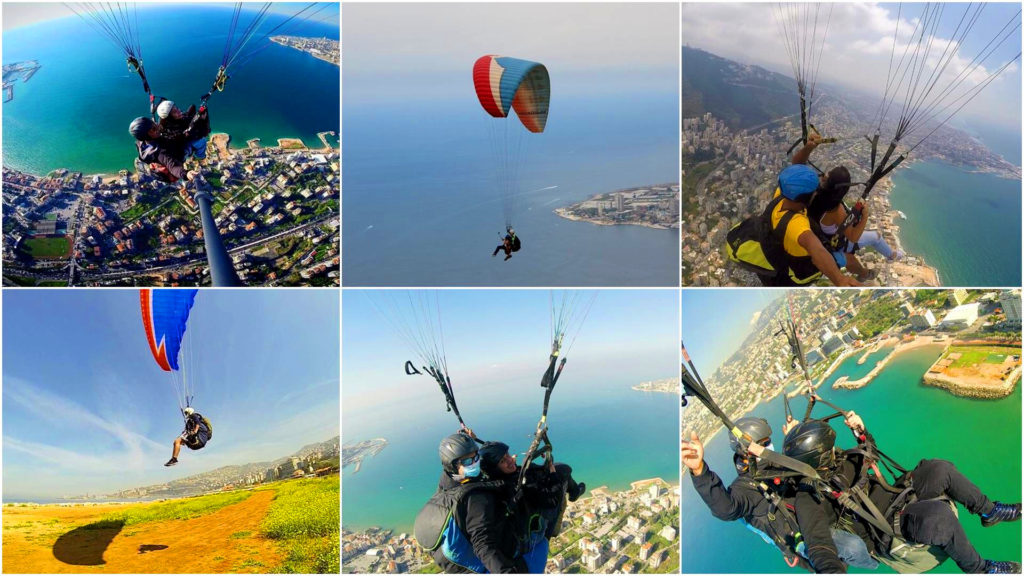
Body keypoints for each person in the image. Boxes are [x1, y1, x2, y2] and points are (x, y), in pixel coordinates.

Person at [783, 415, 1021, 574]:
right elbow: (818, 543)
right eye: (829, 448)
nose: (834, 449)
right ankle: (979, 569)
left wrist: (861, 432)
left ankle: (989, 511)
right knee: (939, 517)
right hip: (885, 530)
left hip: (897, 495)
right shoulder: (810, 497)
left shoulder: (841, 460)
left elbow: (870, 455)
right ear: (820, 458)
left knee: (940, 469)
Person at [682, 418, 876, 572]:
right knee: (853, 547)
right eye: (764, 443)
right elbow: (726, 508)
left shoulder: (775, 463)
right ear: (747, 452)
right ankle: (875, 559)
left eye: (768, 442)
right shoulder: (747, 487)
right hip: (799, 534)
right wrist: (700, 471)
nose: (769, 446)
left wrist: (795, 437)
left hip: (813, 512)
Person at [417, 433, 528, 573]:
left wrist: (470, 441)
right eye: (468, 462)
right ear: (453, 466)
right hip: (485, 556)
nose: (475, 462)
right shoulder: (477, 498)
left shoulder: (446, 482)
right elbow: (483, 545)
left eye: (476, 457)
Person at [760, 133, 860, 287]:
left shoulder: (781, 196)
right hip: (798, 272)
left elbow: (796, 168)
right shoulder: (796, 224)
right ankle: (866, 274)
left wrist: (808, 148)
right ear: (808, 197)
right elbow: (816, 249)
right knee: (850, 259)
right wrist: (839, 279)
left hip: (778, 253)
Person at [808, 167, 904, 282]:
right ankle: (891, 256)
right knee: (876, 237)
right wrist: (865, 215)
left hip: (819, 234)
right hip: (835, 242)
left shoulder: (814, 193)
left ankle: (887, 258)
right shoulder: (835, 210)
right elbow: (853, 237)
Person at [129, 117, 196, 186]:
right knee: (194, 142)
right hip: (177, 157)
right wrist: (186, 173)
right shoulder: (161, 153)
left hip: (163, 153)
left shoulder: (141, 143)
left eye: (154, 124)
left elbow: (155, 132)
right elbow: (173, 167)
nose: (157, 127)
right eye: (154, 129)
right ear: (147, 136)